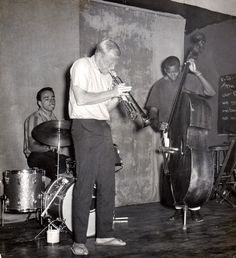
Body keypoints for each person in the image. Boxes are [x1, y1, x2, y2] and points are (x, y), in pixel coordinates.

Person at [69, 39, 131, 256]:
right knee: (85, 184)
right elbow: (82, 98)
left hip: (103, 127)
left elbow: (104, 106)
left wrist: (118, 97)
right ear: (99, 54)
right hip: (84, 126)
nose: (113, 68)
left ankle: (104, 234)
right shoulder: (81, 66)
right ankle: (78, 240)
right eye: (111, 62)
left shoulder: (106, 74)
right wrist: (113, 92)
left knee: (108, 182)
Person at [145, 55, 216, 223]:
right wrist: (157, 124)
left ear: (180, 69)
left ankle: (194, 208)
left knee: (194, 169)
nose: (173, 76)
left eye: (176, 73)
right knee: (173, 170)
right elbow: (153, 112)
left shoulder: (188, 80)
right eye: (169, 73)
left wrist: (197, 73)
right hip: (169, 133)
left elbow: (210, 92)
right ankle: (177, 208)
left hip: (188, 134)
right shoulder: (159, 86)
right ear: (164, 71)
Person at [24, 87, 68, 181]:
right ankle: (57, 192)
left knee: (72, 162)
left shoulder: (54, 119)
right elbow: (31, 146)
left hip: (51, 155)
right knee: (60, 165)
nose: (51, 101)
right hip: (36, 156)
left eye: (53, 98)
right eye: (46, 99)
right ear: (39, 103)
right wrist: (50, 148)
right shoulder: (34, 118)